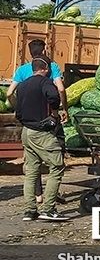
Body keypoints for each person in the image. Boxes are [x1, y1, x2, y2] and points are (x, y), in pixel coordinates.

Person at [12, 58, 69, 221]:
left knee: (31, 172)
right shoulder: (45, 82)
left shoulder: (22, 85)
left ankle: (30, 211)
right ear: (45, 68)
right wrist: (55, 112)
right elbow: (54, 95)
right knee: (57, 166)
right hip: (41, 132)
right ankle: (48, 209)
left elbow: (18, 109)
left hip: (26, 132)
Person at [8, 39, 67, 117]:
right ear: (44, 52)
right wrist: (64, 109)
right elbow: (61, 89)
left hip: (27, 114)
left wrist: (18, 108)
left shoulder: (21, 69)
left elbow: (9, 93)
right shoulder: (52, 67)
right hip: (45, 113)